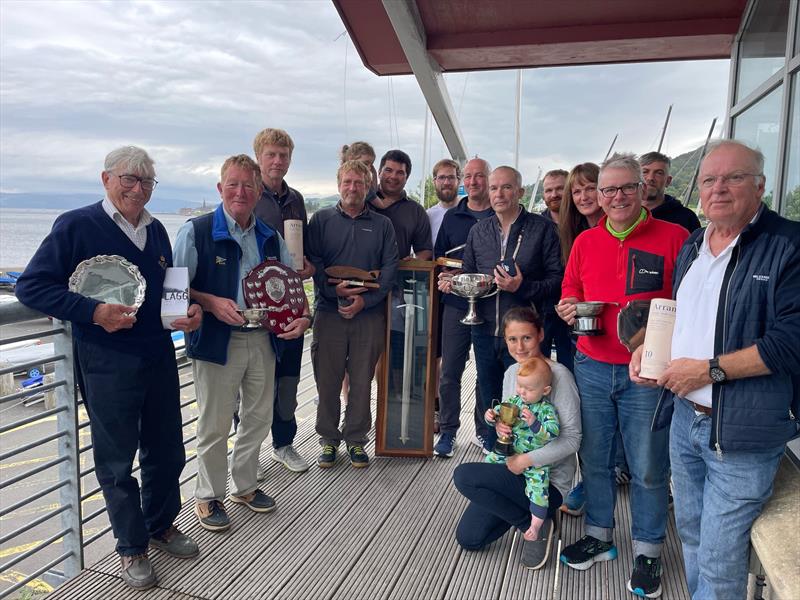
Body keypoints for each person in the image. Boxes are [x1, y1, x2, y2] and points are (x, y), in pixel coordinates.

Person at [15, 146, 202, 590]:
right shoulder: (77, 225)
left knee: (167, 449)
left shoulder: (155, 230)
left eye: (146, 183)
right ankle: (131, 547)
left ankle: (160, 526)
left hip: (157, 351)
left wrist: (186, 310)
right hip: (105, 360)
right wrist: (93, 312)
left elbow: (167, 289)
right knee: (117, 460)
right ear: (106, 180)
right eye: (129, 180)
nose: (138, 190)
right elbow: (31, 285)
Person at [630, 140, 800, 599]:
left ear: (760, 185)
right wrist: (647, 350)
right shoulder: (693, 245)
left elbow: (792, 341)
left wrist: (709, 371)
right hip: (685, 419)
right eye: (709, 180)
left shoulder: (790, 245)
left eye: (733, 178)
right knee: (692, 535)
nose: (718, 188)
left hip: (741, 434)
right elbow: (684, 316)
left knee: (721, 560)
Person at [556, 153, 688, 599]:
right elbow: (571, 286)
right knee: (595, 459)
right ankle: (600, 535)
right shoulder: (586, 242)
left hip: (648, 373)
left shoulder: (675, 237)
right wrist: (569, 304)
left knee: (649, 465)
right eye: (607, 190)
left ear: (643, 188)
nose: (615, 197)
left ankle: (648, 549)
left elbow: (689, 303)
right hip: (591, 363)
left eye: (625, 187)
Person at [174, 155, 310, 532]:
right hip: (217, 341)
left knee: (257, 417)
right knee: (215, 423)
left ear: (258, 191)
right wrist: (209, 302)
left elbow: (294, 290)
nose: (240, 191)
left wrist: (304, 316)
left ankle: (245, 486)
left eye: (248, 186)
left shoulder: (269, 236)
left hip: (263, 339)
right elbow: (174, 290)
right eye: (232, 184)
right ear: (220, 189)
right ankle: (208, 495)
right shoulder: (196, 231)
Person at [454, 307, 581, 570]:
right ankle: (532, 520)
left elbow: (572, 439)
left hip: (547, 480)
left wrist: (525, 459)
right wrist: (503, 429)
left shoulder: (559, 376)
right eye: (513, 339)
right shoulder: (512, 373)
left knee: (464, 475)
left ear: (541, 335)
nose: (519, 346)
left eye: (527, 338)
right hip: (512, 470)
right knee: (470, 538)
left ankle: (541, 510)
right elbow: (510, 418)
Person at [457, 166, 563, 453]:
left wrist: (522, 287)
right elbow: (468, 273)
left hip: (524, 333)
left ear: (520, 191)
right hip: (485, 327)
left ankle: (525, 453)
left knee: (526, 393)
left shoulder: (543, 230)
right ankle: (493, 449)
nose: (499, 194)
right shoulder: (478, 231)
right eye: (494, 188)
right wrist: (461, 284)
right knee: (489, 391)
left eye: (506, 187)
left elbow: (557, 281)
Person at [307, 159, 399, 468]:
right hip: (328, 313)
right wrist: (335, 294)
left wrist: (367, 302)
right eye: (347, 182)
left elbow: (390, 269)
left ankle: (357, 440)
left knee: (362, 379)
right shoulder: (320, 220)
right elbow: (314, 264)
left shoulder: (383, 225)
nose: (352, 188)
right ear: (338, 184)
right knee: (328, 380)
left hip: (368, 315)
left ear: (368, 187)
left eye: (359, 183)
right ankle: (329, 439)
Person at [252, 128, 314, 474]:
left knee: (288, 377)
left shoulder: (296, 199)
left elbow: (301, 250)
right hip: (257, 303)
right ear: (259, 157)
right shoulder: (248, 195)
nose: (278, 161)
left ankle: (284, 443)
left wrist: (308, 265)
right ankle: (251, 451)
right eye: (271, 155)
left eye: (284, 155)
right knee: (255, 380)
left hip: (290, 301)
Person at [433, 157, 494, 457]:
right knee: (450, 371)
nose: (472, 182)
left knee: (487, 371)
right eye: (467, 177)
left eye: (479, 176)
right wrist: (444, 277)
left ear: (489, 179)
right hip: (456, 304)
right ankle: (447, 431)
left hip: (491, 305)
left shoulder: (500, 215)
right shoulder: (451, 217)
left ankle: (484, 432)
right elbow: (439, 259)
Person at [484, 357, 559, 542]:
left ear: (545, 390)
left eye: (529, 389)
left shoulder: (546, 409)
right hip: (508, 452)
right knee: (486, 469)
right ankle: (492, 504)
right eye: (520, 386)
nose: (522, 392)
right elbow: (498, 412)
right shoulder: (515, 401)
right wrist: (491, 416)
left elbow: (553, 432)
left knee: (539, 490)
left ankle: (535, 525)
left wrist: (534, 423)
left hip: (533, 461)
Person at [538, 169, 574, 372]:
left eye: (560, 188)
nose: (554, 194)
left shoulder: (582, 222)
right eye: (549, 190)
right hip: (543, 306)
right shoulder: (536, 225)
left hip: (572, 308)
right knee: (539, 366)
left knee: (570, 366)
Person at [369, 149, 433, 261]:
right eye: (388, 170)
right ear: (379, 173)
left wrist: (415, 262)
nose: (393, 176)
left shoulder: (416, 211)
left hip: (397, 275)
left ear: (406, 177)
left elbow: (424, 250)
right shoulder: (363, 203)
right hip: (361, 275)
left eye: (400, 173)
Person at [640, 151, 702, 233]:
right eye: (645, 172)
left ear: (668, 181)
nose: (650, 178)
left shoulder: (687, 219)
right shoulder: (624, 214)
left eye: (659, 173)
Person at [558, 162, 602, 265]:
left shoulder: (616, 229)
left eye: (590, 188)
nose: (584, 197)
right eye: (577, 192)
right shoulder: (570, 230)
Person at [427, 158, 461, 245]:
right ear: (434, 181)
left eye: (451, 177)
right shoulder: (428, 216)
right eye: (441, 177)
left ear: (459, 181)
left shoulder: (469, 211)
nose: (446, 182)